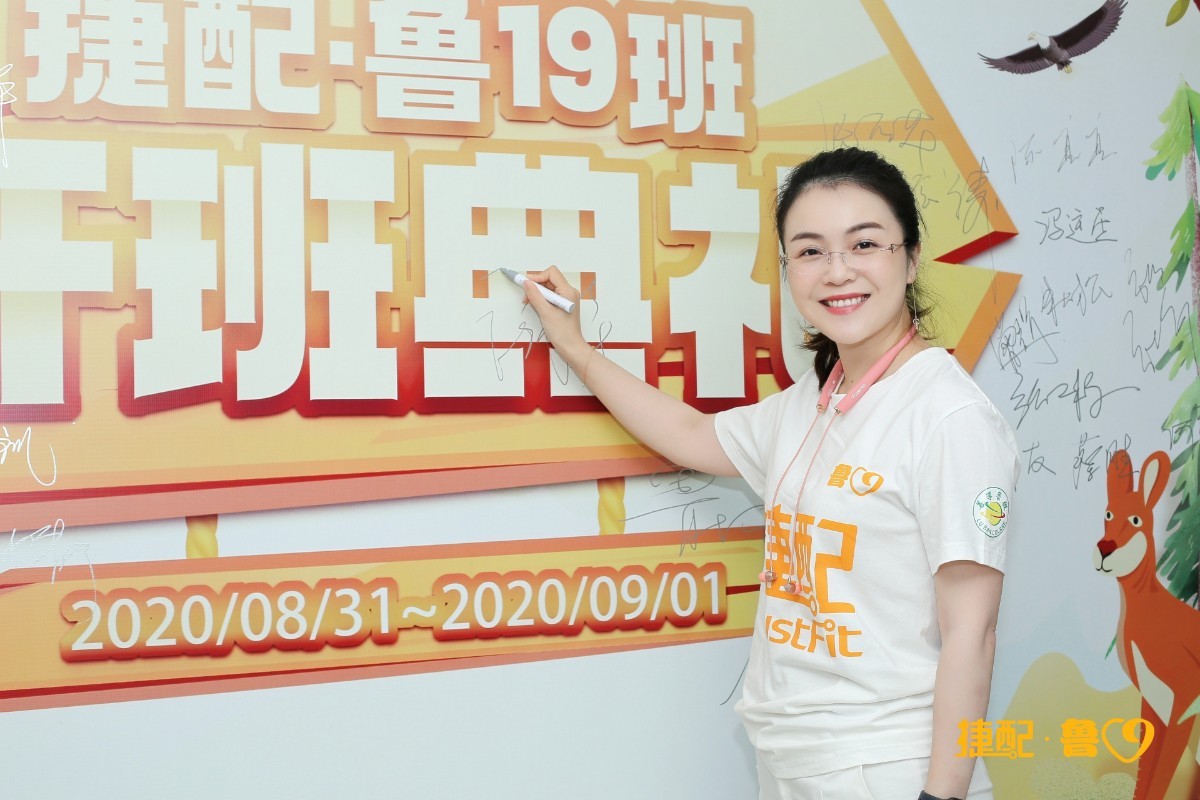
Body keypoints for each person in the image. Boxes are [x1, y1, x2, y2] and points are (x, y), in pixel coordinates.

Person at [520, 146, 1018, 800]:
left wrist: (941, 796)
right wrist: (575, 347)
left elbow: (972, 633)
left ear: (912, 257)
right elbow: (690, 435)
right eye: (810, 251)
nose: (837, 271)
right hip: (791, 760)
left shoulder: (950, 417)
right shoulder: (812, 402)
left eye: (864, 244)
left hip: (889, 767)